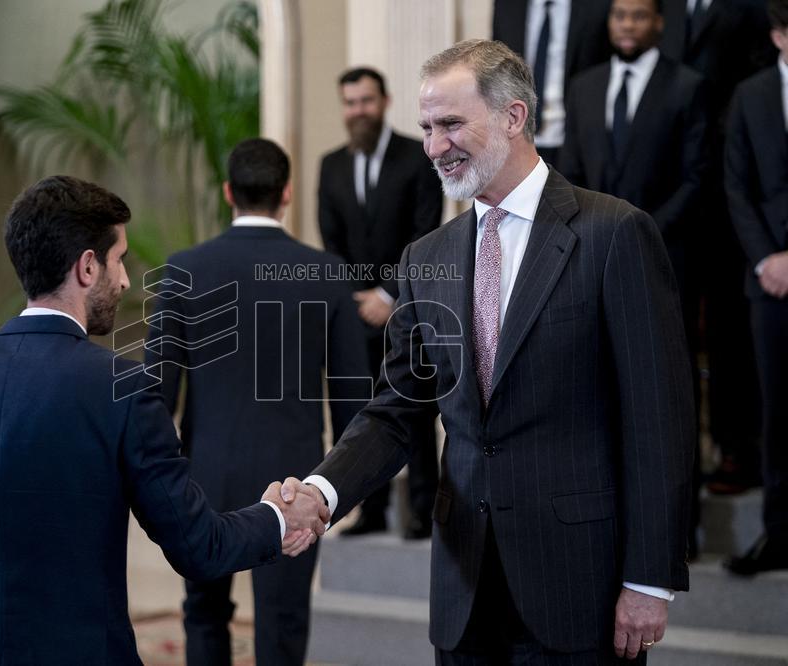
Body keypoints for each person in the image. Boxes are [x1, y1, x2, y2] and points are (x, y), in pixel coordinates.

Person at [284, 40, 695, 662]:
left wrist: (648, 578)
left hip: (580, 585)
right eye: (426, 128)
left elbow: (658, 420)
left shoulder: (614, 234)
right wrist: (322, 492)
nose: (433, 146)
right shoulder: (426, 258)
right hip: (463, 588)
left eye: (451, 124)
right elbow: (395, 411)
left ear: (513, 117)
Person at [0, 175, 326, 666]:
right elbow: (198, 547)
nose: (122, 280)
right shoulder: (124, 388)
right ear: (88, 266)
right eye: (118, 261)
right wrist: (278, 518)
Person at [145, 139, 367, 666]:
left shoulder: (183, 271)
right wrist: (344, 492)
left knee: (202, 612)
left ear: (228, 192)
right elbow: (355, 402)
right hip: (296, 481)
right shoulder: (327, 273)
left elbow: (155, 397)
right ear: (287, 193)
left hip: (204, 475)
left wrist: (159, 480)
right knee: (284, 622)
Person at [318, 66, 442, 539]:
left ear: (385, 101)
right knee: (359, 411)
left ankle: (424, 509)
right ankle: (368, 512)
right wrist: (358, 298)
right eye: (350, 103)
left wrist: (390, 293)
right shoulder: (330, 164)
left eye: (365, 101)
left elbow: (426, 229)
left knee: (413, 403)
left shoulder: (419, 154)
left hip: (409, 308)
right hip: (355, 313)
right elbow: (331, 239)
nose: (358, 112)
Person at [659, 0, 776, 496]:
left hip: (729, 171)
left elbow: (760, 72)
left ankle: (735, 448)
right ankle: (679, 451)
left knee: (729, 325)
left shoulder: (751, 7)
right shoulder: (659, 6)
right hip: (670, 174)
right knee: (671, 322)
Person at [559, 0, 708, 357]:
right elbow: (571, 170)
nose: (627, 25)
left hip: (664, 250)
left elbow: (696, 177)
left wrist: (646, 229)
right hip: (592, 250)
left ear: (658, 22)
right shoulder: (584, 86)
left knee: (663, 357)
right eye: (620, 16)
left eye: (638, 16)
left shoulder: (687, 86)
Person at [723, 0, 788, 576]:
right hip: (769, 280)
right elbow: (735, 185)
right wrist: (769, 257)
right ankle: (778, 531)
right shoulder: (752, 94)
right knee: (775, 410)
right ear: (777, 36)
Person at [492, 0, 613, 167]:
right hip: (518, 137)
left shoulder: (598, 6)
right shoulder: (507, 5)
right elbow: (497, 67)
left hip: (575, 141)